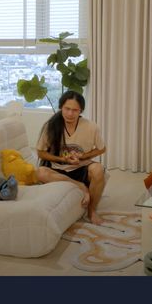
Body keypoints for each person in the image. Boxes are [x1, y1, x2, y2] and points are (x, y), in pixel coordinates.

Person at [36, 90, 107, 225]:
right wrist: (62, 159)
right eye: (67, 109)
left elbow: (102, 148)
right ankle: (80, 186)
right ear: (61, 107)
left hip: (80, 168)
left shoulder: (91, 127)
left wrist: (83, 156)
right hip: (57, 169)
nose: (70, 113)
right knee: (40, 172)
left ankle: (92, 211)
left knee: (98, 169)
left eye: (75, 110)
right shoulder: (51, 126)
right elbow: (41, 153)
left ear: (81, 111)